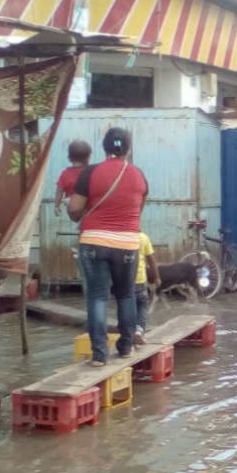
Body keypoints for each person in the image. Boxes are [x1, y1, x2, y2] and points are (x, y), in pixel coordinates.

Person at [68, 127, 149, 366]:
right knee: (126, 295)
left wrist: (79, 214)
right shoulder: (139, 175)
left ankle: (100, 356)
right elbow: (137, 211)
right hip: (127, 244)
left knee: (97, 298)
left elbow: (74, 209)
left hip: (93, 242)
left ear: (104, 148)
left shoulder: (90, 173)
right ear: (128, 148)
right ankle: (125, 348)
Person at [55, 140, 92, 217]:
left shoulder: (65, 173)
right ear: (88, 158)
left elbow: (59, 190)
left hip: (72, 206)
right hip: (88, 205)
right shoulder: (91, 171)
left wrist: (56, 206)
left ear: (69, 158)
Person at [134, 232, 159, 344]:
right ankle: (140, 332)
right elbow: (152, 261)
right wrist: (157, 277)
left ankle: (131, 332)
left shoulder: (123, 237)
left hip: (126, 282)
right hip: (140, 280)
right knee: (142, 307)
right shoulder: (143, 237)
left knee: (128, 308)